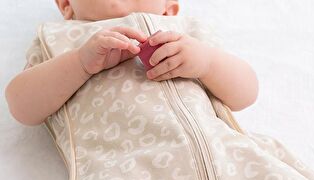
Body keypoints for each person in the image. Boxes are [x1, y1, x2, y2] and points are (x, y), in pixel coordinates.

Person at [4, 0, 259, 125]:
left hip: (220, 160)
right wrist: (79, 63)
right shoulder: (60, 39)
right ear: (66, 5)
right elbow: (21, 107)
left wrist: (207, 63)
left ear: (169, 7)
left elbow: (246, 94)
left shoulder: (189, 34)